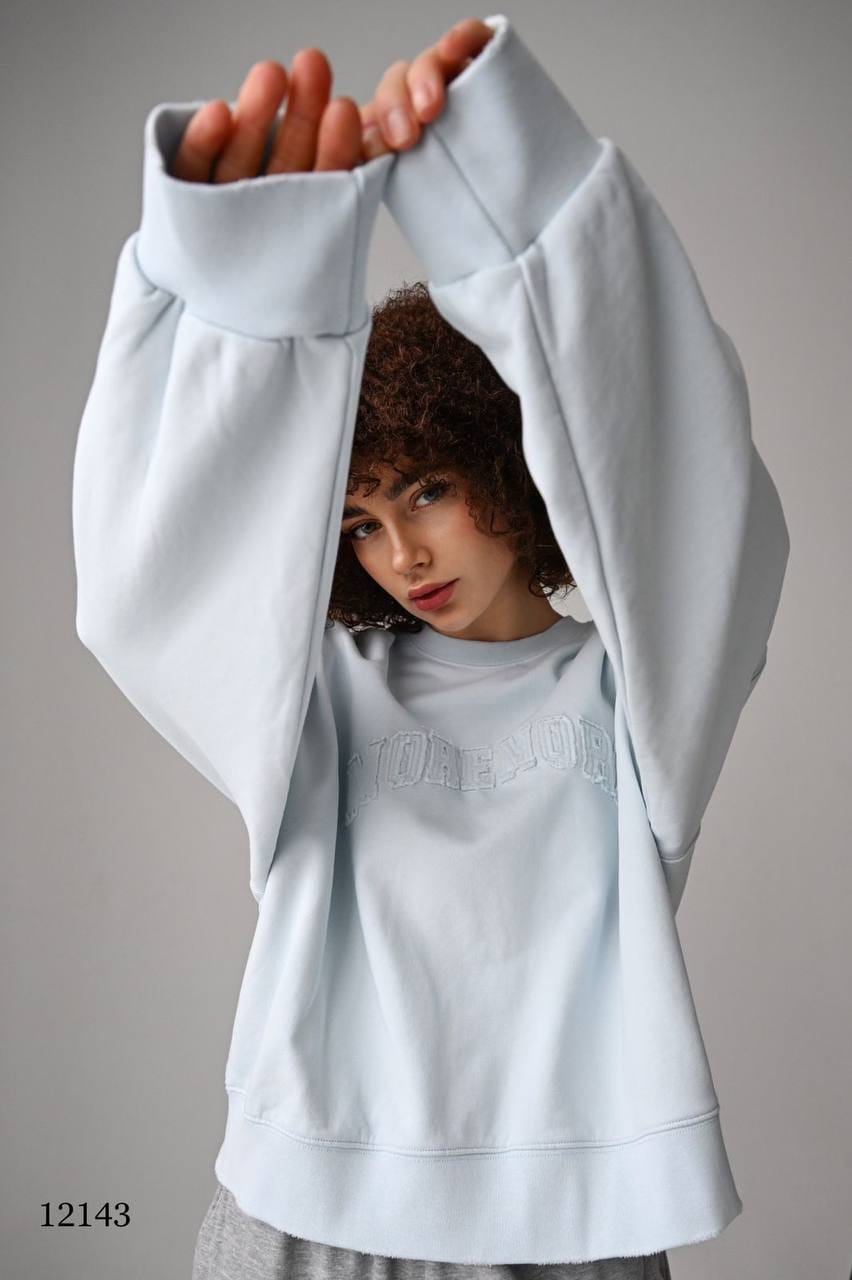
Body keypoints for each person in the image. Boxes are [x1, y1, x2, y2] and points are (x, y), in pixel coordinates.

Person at [71, 13, 790, 1280]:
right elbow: (159, 587)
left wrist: (525, 202)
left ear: (513, 462)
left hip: (574, 1224)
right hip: (306, 1213)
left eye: (429, 489)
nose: (402, 552)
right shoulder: (319, 699)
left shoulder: (636, 696)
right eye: (359, 519)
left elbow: (686, 482)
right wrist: (242, 302)